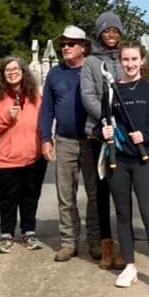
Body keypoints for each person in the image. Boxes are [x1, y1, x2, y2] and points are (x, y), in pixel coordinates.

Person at [99, 42, 149, 295]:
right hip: (118, 161)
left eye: (134, 59)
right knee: (122, 215)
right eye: (125, 60)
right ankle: (129, 266)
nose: (130, 64)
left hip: (144, 161)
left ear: (142, 61)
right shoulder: (111, 91)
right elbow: (103, 122)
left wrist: (146, 136)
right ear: (120, 62)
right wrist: (104, 131)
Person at [39, 25, 101, 262]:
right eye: (62, 44)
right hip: (64, 140)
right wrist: (46, 138)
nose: (65, 48)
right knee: (66, 195)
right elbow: (47, 110)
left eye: (70, 44)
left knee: (95, 194)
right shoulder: (55, 74)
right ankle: (68, 242)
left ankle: (94, 240)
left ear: (83, 47)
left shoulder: (93, 69)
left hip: (91, 140)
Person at [0, 56, 47, 253]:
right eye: (8, 70)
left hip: (33, 157)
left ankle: (29, 232)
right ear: (2, 75)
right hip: (6, 159)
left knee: (30, 197)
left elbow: (44, 121)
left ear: (23, 72)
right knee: (8, 198)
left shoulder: (35, 96)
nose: (12, 72)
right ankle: (6, 234)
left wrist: (47, 142)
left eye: (16, 69)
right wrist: (6, 117)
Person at [80, 11, 124, 268]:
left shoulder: (126, 57)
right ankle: (106, 245)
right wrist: (107, 119)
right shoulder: (91, 63)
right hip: (99, 133)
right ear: (99, 34)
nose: (111, 35)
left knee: (122, 194)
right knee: (101, 193)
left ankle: (123, 245)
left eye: (115, 31)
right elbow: (88, 96)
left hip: (123, 134)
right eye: (106, 31)